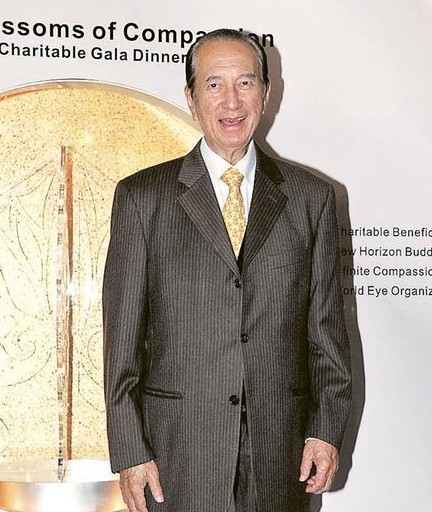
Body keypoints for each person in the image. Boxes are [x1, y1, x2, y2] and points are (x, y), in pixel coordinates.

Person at [103, 28, 352, 512]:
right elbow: (121, 342)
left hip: (281, 458)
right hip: (177, 458)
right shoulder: (142, 198)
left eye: (245, 82)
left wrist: (325, 430)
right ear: (191, 98)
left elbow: (327, 337)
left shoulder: (312, 199)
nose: (231, 101)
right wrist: (131, 450)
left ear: (266, 92)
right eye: (214, 84)